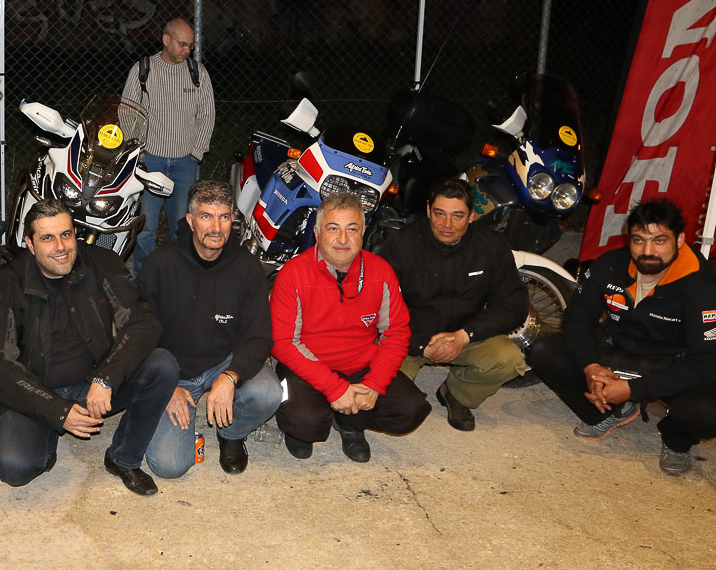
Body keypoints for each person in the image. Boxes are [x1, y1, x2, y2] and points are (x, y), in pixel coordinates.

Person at [0, 200, 177, 495]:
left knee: (162, 364)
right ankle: (47, 436)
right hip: (34, 392)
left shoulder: (100, 261)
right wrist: (57, 412)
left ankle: (123, 458)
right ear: (30, 244)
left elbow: (142, 322)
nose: (60, 247)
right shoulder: (3, 284)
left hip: (92, 384)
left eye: (66, 234)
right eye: (47, 238)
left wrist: (107, 377)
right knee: (16, 468)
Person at [533, 198, 716, 475]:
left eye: (659, 240)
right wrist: (590, 367)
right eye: (639, 240)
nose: (647, 251)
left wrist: (633, 389)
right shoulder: (609, 265)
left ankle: (676, 440)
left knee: (707, 410)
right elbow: (577, 319)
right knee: (544, 351)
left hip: (672, 363)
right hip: (616, 350)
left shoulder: (702, 286)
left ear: (679, 240)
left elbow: (707, 362)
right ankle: (610, 411)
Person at [271, 192, 430, 463]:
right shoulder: (293, 274)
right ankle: (301, 428)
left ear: (363, 232)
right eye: (333, 228)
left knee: (412, 409)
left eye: (352, 229)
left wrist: (375, 384)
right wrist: (334, 389)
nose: (343, 239)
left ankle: (350, 422)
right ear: (317, 233)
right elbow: (282, 343)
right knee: (305, 422)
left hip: (359, 365)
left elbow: (396, 332)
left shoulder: (381, 272)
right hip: (308, 367)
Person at [138, 180, 282, 478]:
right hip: (175, 370)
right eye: (206, 216)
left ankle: (231, 433)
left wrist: (231, 377)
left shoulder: (247, 268)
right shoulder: (160, 264)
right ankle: (178, 415)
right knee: (169, 465)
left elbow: (259, 336)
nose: (216, 227)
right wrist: (163, 385)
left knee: (268, 393)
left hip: (224, 361)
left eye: (224, 217)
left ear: (232, 220)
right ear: (191, 221)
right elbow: (138, 329)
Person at [377, 178, 528, 431]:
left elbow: (514, 304)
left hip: (465, 335)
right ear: (428, 210)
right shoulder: (401, 245)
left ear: (471, 215)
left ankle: (456, 393)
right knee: (386, 398)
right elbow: (379, 308)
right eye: (440, 213)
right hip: (409, 339)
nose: (447, 225)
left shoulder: (491, 245)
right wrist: (422, 346)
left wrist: (464, 336)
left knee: (509, 359)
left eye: (457, 216)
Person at [121, 18, 216, 273]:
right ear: (166, 40)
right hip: (149, 161)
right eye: (182, 44)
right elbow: (127, 111)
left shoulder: (197, 73)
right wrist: (138, 150)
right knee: (146, 227)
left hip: (185, 163)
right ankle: (145, 276)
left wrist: (195, 154)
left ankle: (180, 275)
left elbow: (207, 115)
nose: (187, 50)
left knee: (182, 226)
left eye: (191, 46)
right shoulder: (143, 70)